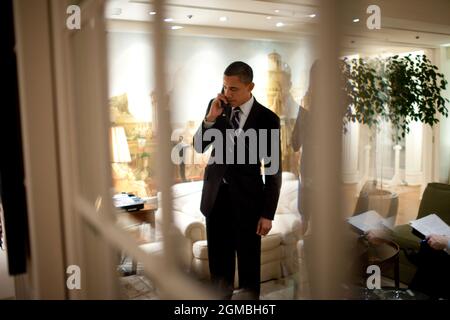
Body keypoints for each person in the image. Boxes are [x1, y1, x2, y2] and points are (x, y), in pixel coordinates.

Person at [193, 61, 282, 299]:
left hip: (249, 204)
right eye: (224, 87)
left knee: (249, 269)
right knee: (219, 271)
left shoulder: (267, 119)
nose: (226, 93)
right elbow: (199, 145)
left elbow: (273, 170)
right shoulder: (217, 109)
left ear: (250, 86)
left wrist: (267, 213)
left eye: (233, 89)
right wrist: (210, 118)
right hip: (216, 200)